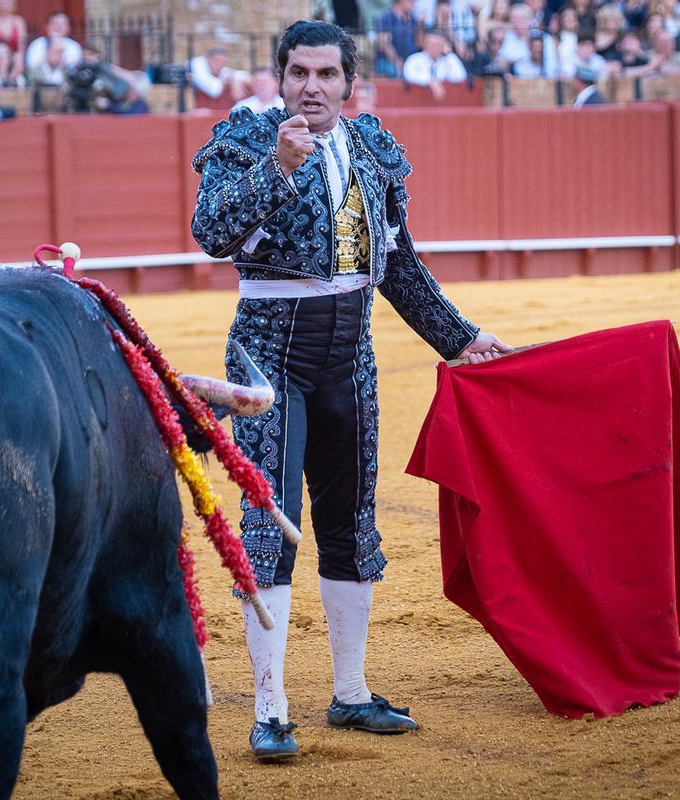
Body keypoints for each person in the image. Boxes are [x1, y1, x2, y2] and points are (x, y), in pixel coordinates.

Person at [190, 19, 510, 763]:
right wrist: (275, 167)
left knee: (350, 525)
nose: (311, 87)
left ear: (349, 83)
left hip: (349, 358)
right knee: (270, 525)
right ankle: (270, 710)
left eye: (326, 75)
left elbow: (398, 265)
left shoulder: (370, 149)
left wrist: (459, 337)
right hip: (266, 358)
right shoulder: (245, 140)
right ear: (279, 78)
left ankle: (352, 693)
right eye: (298, 73)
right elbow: (209, 230)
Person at [402, 28, 467, 94]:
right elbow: (408, 74)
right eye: (429, 43)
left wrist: (448, 55)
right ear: (424, 44)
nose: (432, 47)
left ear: (442, 46)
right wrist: (431, 82)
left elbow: (460, 76)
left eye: (436, 44)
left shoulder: (448, 59)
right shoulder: (414, 59)